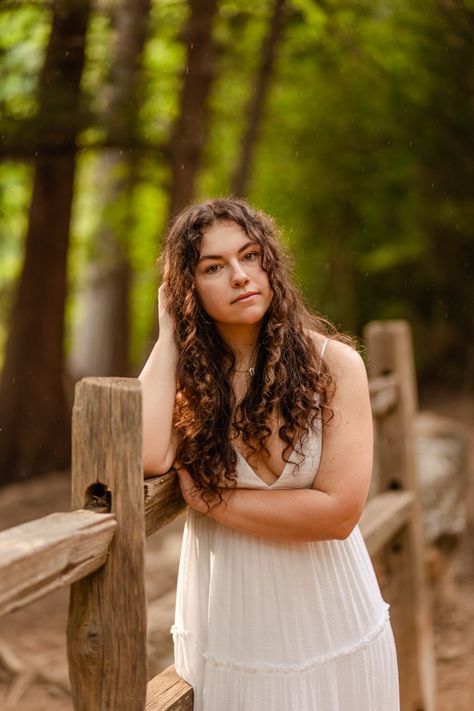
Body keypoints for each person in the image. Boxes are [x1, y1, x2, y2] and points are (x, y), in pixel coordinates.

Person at [139, 197, 399, 711]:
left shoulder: (335, 367)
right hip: (236, 635)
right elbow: (147, 455)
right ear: (188, 289)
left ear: (270, 265)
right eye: (213, 267)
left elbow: (339, 513)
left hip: (334, 622)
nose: (239, 275)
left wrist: (212, 501)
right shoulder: (190, 387)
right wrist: (169, 332)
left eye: (250, 256)